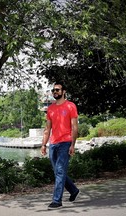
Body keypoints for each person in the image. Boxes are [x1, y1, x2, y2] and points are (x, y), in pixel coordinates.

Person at [41, 81, 80, 210]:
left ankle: (57, 200)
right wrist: (43, 144)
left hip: (66, 142)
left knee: (60, 171)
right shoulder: (50, 108)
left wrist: (73, 145)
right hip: (53, 143)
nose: (55, 92)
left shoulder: (70, 106)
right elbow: (47, 129)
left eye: (57, 90)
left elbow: (74, 127)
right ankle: (73, 190)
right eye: (53, 90)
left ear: (63, 92)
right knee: (58, 171)